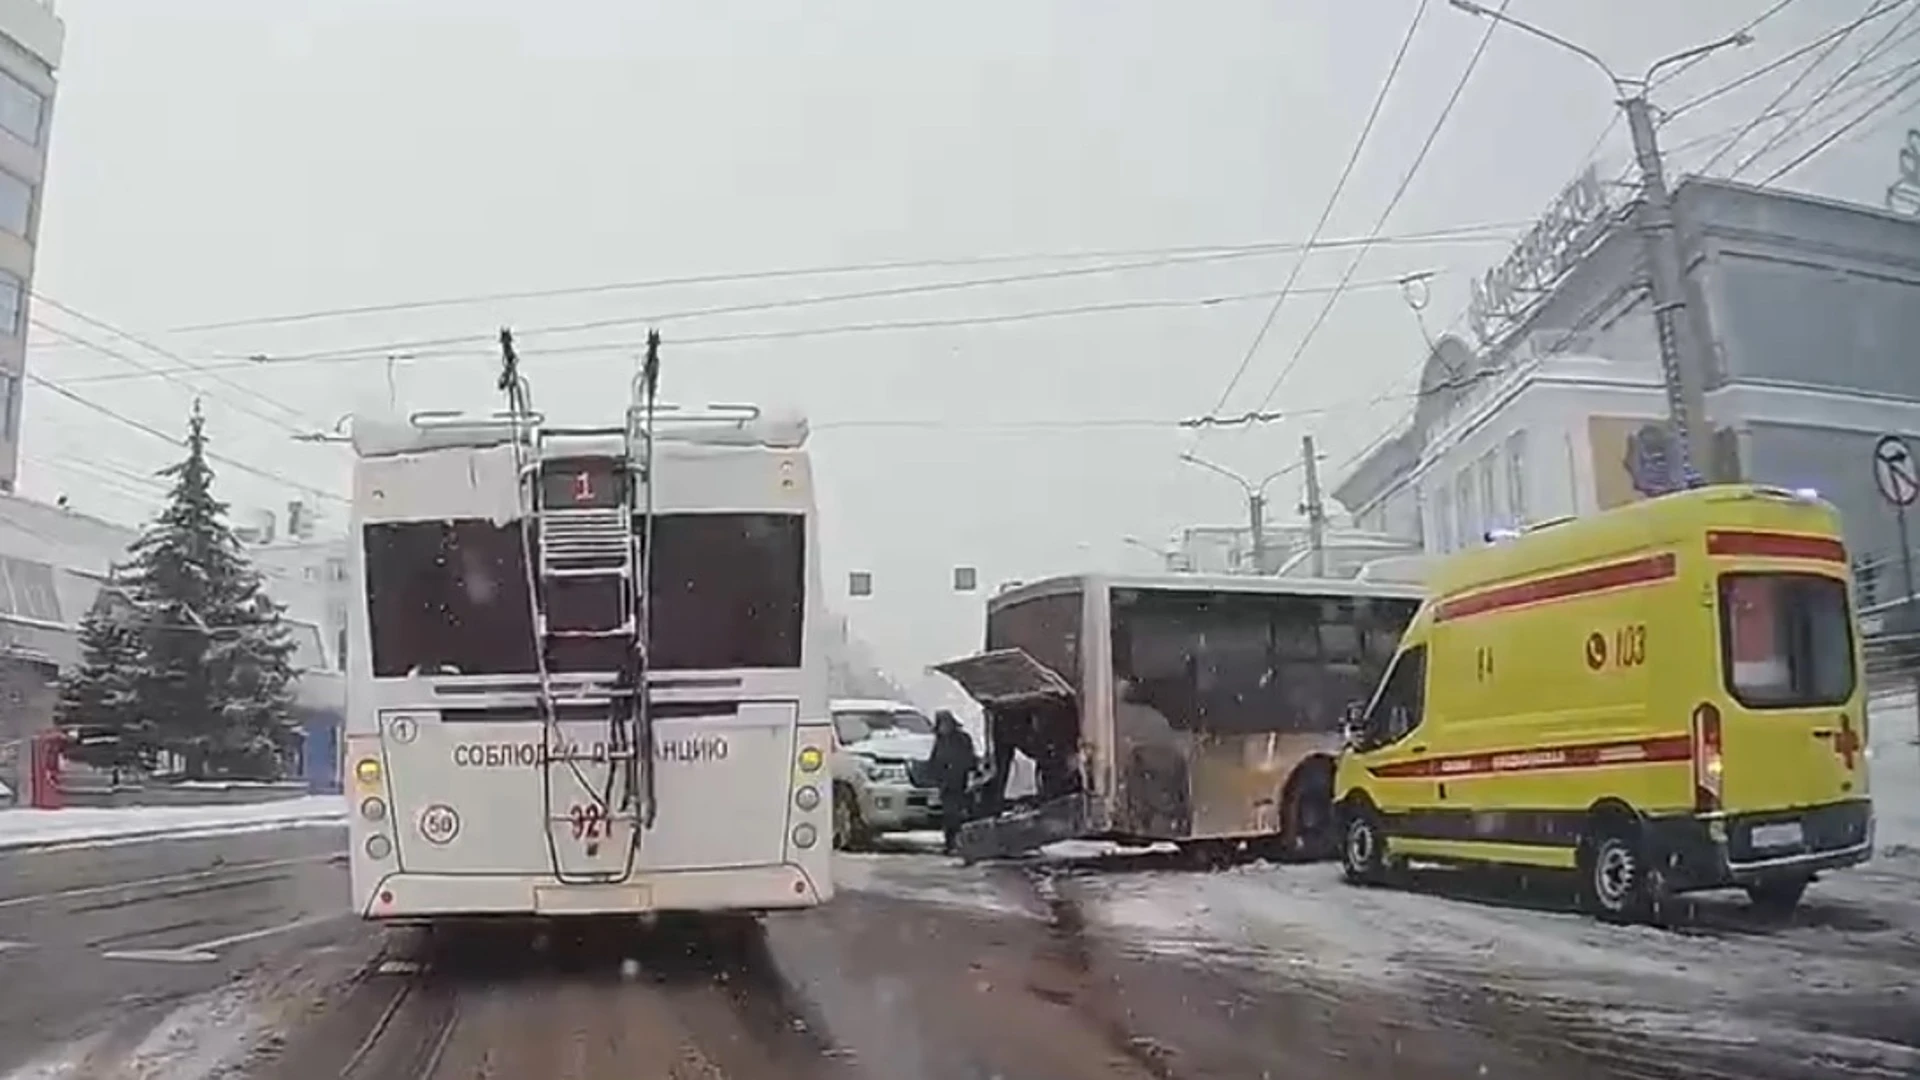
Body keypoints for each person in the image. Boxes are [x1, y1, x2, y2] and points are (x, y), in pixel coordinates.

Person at [926, 709, 979, 855]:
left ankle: (963, 843)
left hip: (962, 783)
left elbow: (970, 759)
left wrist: (970, 775)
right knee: (949, 816)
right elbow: (935, 761)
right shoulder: (940, 741)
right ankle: (950, 844)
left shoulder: (962, 739)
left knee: (962, 815)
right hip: (946, 786)